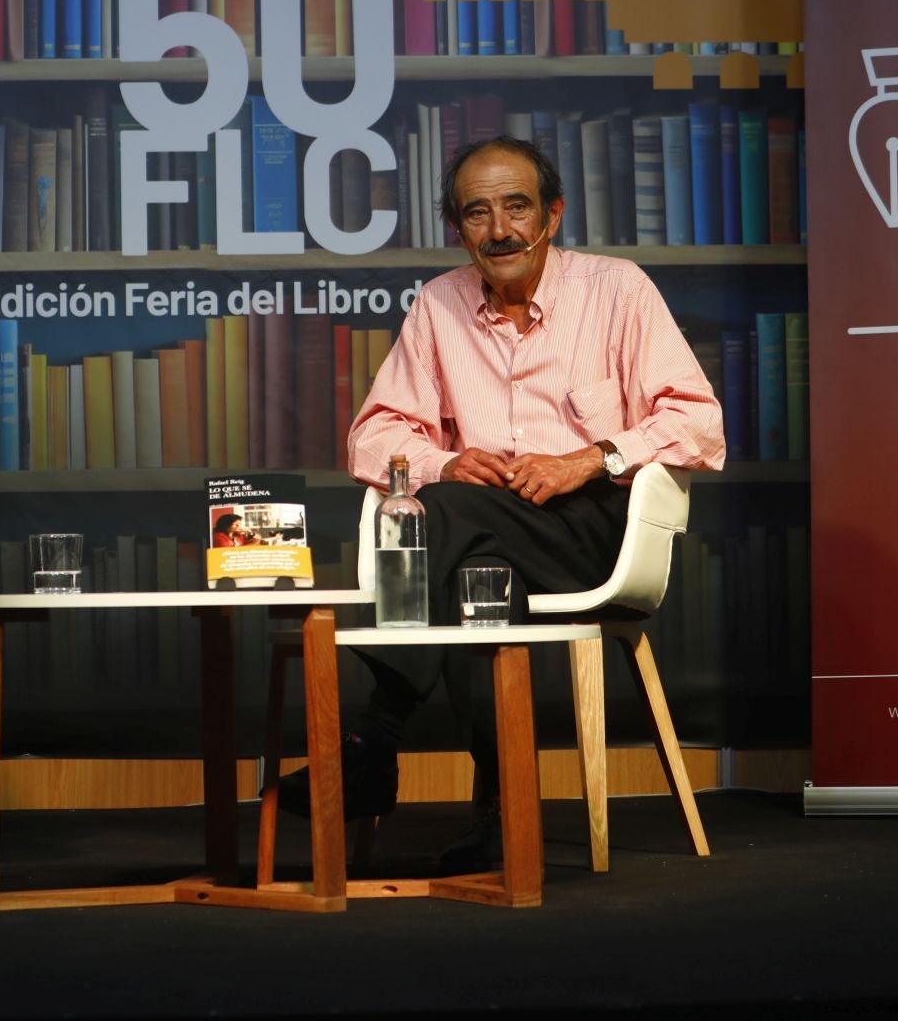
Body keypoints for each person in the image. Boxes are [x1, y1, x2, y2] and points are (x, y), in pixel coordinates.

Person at [281, 135, 725, 870]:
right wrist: (449, 459)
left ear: (552, 214)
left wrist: (588, 459)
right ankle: (500, 815)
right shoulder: (439, 304)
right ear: (459, 231)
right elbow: (374, 437)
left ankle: (371, 742)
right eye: (477, 214)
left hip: (592, 531)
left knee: (445, 515)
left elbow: (699, 421)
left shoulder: (617, 289)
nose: (499, 230)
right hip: (487, 532)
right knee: (475, 575)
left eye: (516, 207)